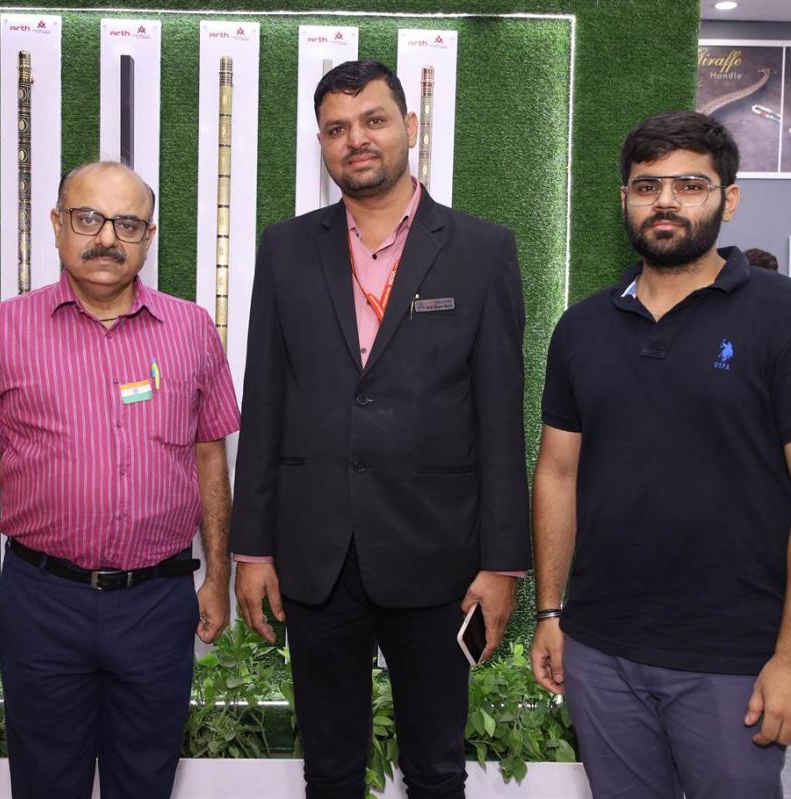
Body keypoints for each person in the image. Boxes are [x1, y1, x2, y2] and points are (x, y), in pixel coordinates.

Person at [530, 111, 791, 798]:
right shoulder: (581, 327)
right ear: (624, 198)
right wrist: (551, 612)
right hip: (601, 646)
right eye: (647, 186)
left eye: (690, 185)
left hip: (733, 655)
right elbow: (558, 473)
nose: (666, 202)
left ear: (727, 199)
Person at [230, 60, 530, 799]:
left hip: (437, 557)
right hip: (316, 554)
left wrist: (502, 564)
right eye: (336, 128)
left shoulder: (482, 250)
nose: (355, 139)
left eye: (373, 120)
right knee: (330, 770)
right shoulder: (285, 248)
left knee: (436, 769)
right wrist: (252, 548)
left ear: (410, 127)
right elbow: (264, 401)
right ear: (322, 145)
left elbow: (500, 417)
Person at [0, 161, 240, 799]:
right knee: (46, 783)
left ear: (148, 237)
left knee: (145, 782)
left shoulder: (192, 330)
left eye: (127, 224)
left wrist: (218, 576)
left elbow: (210, 457)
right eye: (88, 218)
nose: (107, 239)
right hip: (43, 603)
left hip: (157, 603)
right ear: (57, 224)